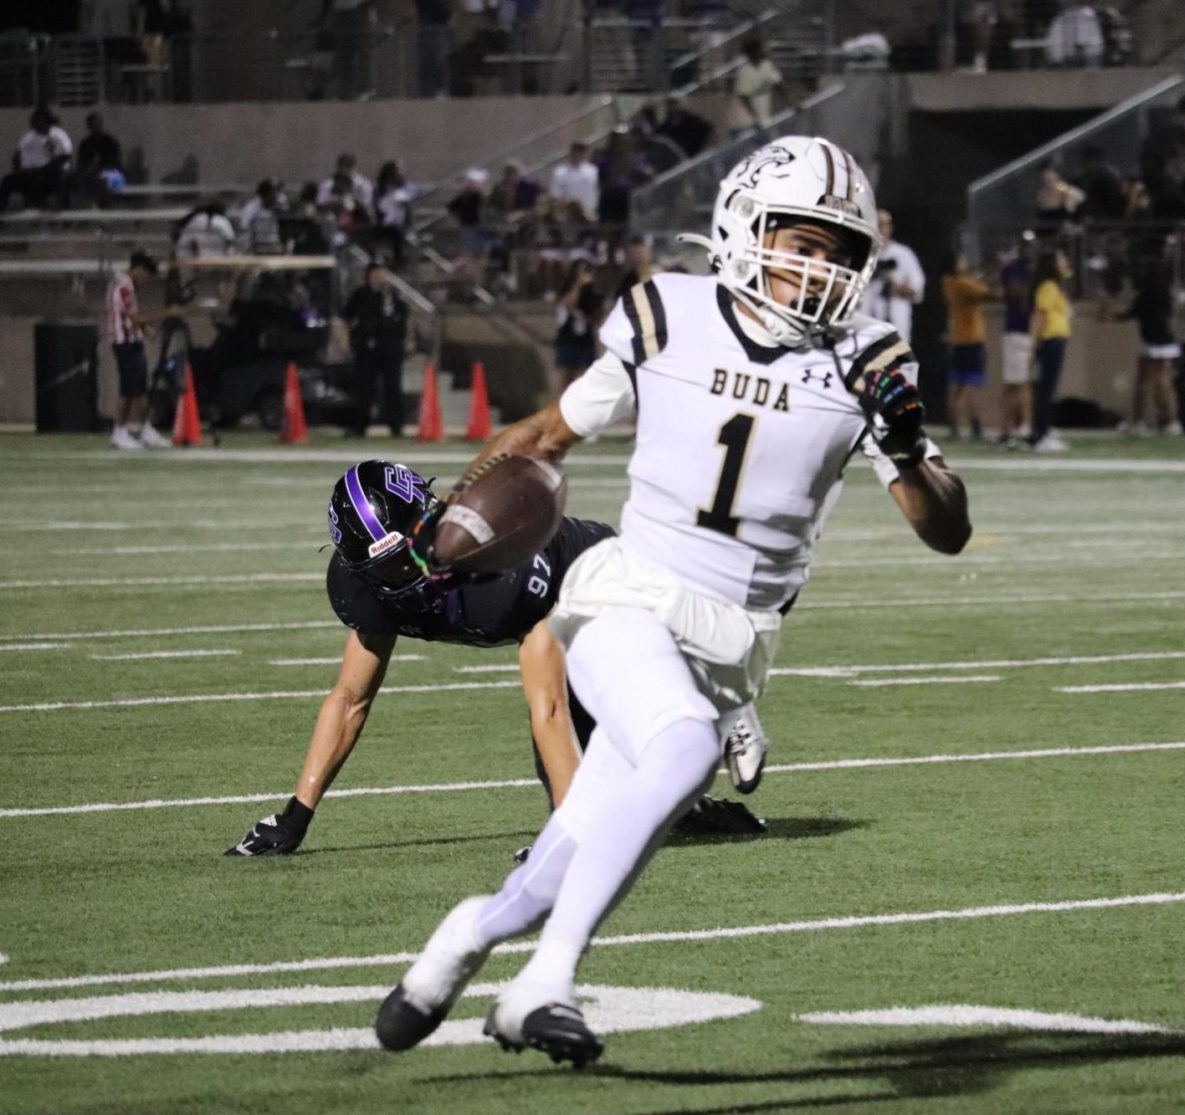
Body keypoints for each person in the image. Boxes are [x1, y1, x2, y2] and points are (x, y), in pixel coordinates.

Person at [374, 135, 972, 1065]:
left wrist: (905, 438)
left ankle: (461, 939)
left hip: (732, 644)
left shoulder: (868, 360)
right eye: (799, 241)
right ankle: (544, 984)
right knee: (685, 749)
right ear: (744, 225)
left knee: (576, 845)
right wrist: (452, 517)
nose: (815, 267)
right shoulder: (668, 313)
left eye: (835, 251)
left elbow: (947, 528)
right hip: (630, 598)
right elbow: (548, 434)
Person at [226, 461, 770, 856]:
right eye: (388, 568)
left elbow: (550, 708)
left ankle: (721, 703)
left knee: (582, 711)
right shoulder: (364, 590)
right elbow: (349, 699)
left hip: (596, 577)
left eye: (410, 553)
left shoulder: (496, 572)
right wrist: (296, 817)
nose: (407, 573)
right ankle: (680, 798)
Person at [106, 250, 173, 450]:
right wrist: (165, 314)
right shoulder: (124, 286)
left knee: (141, 388)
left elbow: (131, 317)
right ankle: (119, 431)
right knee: (128, 390)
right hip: (124, 342)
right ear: (138, 269)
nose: (146, 280)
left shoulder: (124, 284)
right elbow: (134, 319)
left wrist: (145, 328)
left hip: (132, 340)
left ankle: (145, 429)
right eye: (146, 275)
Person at [1118, 257, 1183, 436]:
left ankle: (1141, 422)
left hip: (1154, 341)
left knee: (1148, 382)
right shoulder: (1165, 292)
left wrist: (1111, 315)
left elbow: (1130, 314)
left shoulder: (1146, 293)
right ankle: (1170, 422)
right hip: (1164, 340)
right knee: (1164, 383)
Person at [342, 263, 409, 437]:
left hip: (390, 347)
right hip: (367, 347)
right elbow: (346, 319)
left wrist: (407, 341)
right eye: (376, 274)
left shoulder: (392, 296)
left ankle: (396, 425)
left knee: (392, 386)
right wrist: (346, 342)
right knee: (364, 386)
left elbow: (404, 318)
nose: (380, 277)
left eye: (382, 273)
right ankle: (360, 425)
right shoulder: (360, 295)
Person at [942, 253, 993, 441]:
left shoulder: (948, 283)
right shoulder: (963, 283)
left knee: (957, 386)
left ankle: (954, 426)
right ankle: (975, 426)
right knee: (973, 386)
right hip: (971, 340)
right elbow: (985, 292)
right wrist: (985, 277)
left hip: (957, 339)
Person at [1028, 247, 1073, 452]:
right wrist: (1033, 343)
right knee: (1045, 389)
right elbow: (1040, 315)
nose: (1064, 262)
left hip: (1056, 341)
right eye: (1060, 259)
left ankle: (1044, 429)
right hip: (1050, 341)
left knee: (1048, 388)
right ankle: (1040, 434)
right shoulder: (1047, 286)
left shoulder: (1055, 286)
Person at [860, 209, 925, 343]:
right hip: (868, 328)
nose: (882, 229)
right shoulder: (864, 255)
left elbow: (917, 290)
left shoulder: (903, 254)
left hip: (897, 328)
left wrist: (894, 284)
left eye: (885, 224)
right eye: (879, 224)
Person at [998, 233, 1035, 447]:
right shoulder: (1014, 269)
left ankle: (1024, 427)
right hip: (1015, 331)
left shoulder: (1031, 270)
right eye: (1026, 247)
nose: (1029, 251)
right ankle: (1007, 429)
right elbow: (1014, 293)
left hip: (1028, 332)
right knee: (1013, 383)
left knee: (1025, 383)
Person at [0, 106, 72, 212]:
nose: (33, 122)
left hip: (51, 173)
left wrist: (45, 167)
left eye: (36, 119)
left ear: (44, 120)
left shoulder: (58, 135)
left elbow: (65, 156)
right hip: (29, 173)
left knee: (41, 179)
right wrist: (19, 169)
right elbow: (17, 155)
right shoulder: (28, 136)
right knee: (7, 181)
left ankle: (53, 212)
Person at [553, 260, 603, 393]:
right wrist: (578, 285)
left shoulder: (594, 294)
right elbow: (565, 304)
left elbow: (598, 319)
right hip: (567, 339)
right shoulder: (567, 291)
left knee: (583, 378)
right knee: (565, 377)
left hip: (585, 340)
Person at [732, 37, 783, 135]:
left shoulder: (766, 66)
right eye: (758, 50)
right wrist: (756, 117)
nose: (761, 52)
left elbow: (779, 84)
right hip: (745, 123)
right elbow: (744, 97)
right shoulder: (744, 71)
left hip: (764, 121)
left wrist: (791, 102)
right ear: (750, 53)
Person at [549, 142, 599, 225]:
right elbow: (555, 193)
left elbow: (594, 192)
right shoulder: (560, 172)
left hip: (587, 211)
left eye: (580, 153)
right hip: (566, 211)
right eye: (574, 153)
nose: (577, 156)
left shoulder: (592, 171)